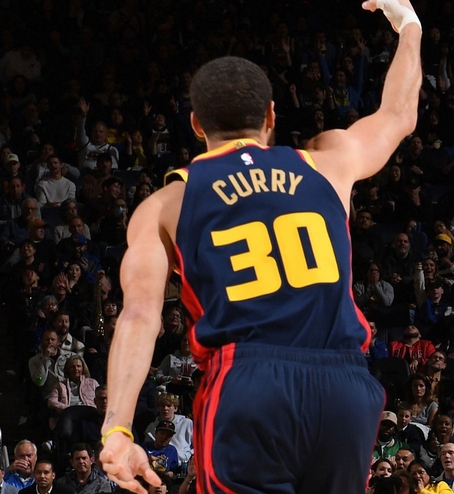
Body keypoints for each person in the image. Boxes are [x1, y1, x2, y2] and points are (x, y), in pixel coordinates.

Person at [98, 1, 424, 492]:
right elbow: (398, 114)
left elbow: (140, 315)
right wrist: (409, 25)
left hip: (248, 383)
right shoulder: (327, 163)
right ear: (271, 115)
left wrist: (118, 430)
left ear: (196, 124)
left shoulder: (166, 204)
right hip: (343, 386)